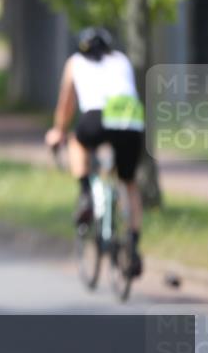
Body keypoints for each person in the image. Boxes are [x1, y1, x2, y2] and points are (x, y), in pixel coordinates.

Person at [44, 26, 145, 277]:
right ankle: (132, 245)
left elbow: (66, 104)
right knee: (129, 184)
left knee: (77, 142)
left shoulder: (75, 62)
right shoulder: (121, 60)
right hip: (130, 118)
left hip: (96, 117)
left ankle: (86, 193)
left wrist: (58, 130)